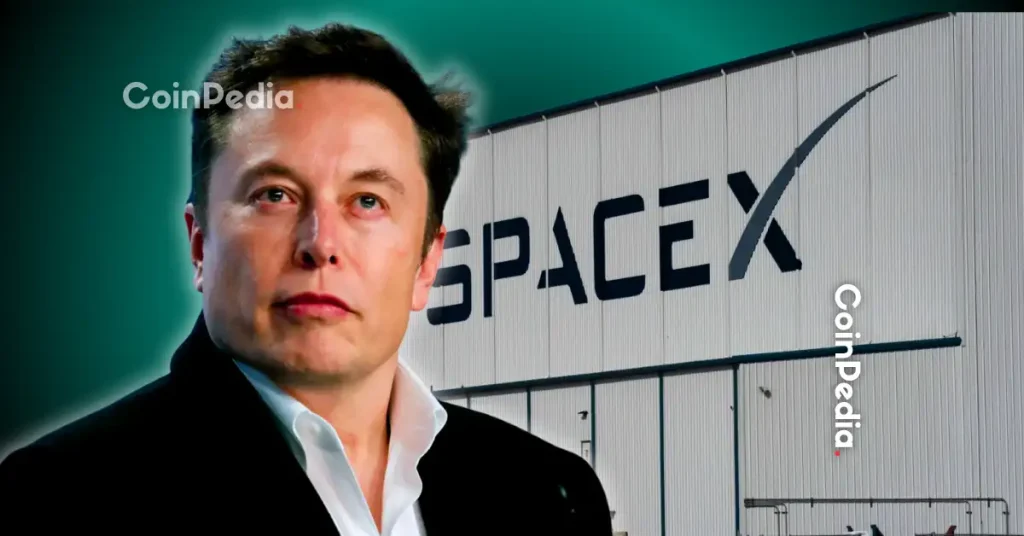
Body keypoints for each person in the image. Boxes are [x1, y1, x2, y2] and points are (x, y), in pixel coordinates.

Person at [0, 22, 612, 535]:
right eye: (274, 194)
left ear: (427, 262)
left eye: (367, 201)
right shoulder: (58, 498)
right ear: (199, 244)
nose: (320, 244)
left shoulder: (548, 492)